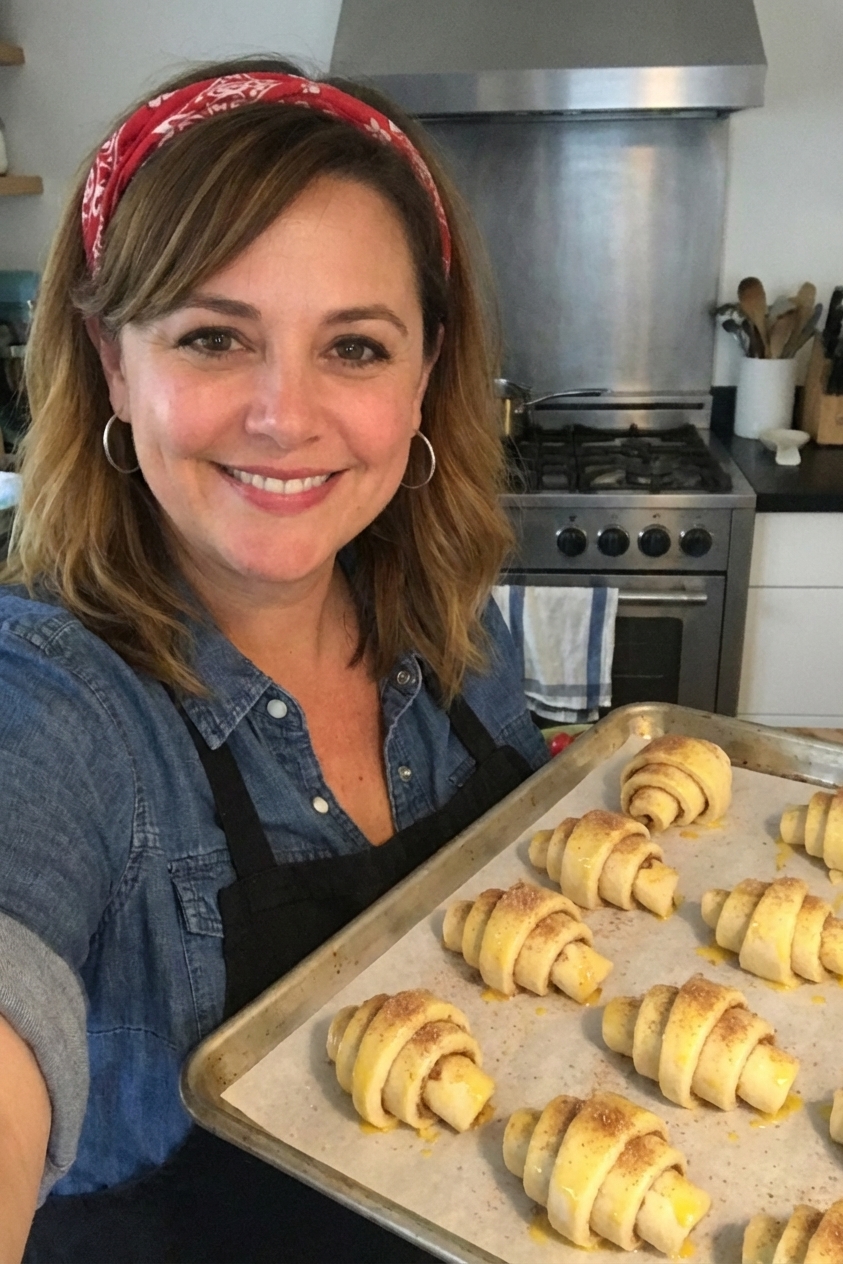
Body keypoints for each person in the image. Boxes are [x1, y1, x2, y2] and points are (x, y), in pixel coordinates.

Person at [0, 54, 549, 1264]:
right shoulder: (52, 708)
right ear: (112, 363)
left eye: (354, 347)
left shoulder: (458, 623)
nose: (283, 416)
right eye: (213, 337)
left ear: (425, 373)